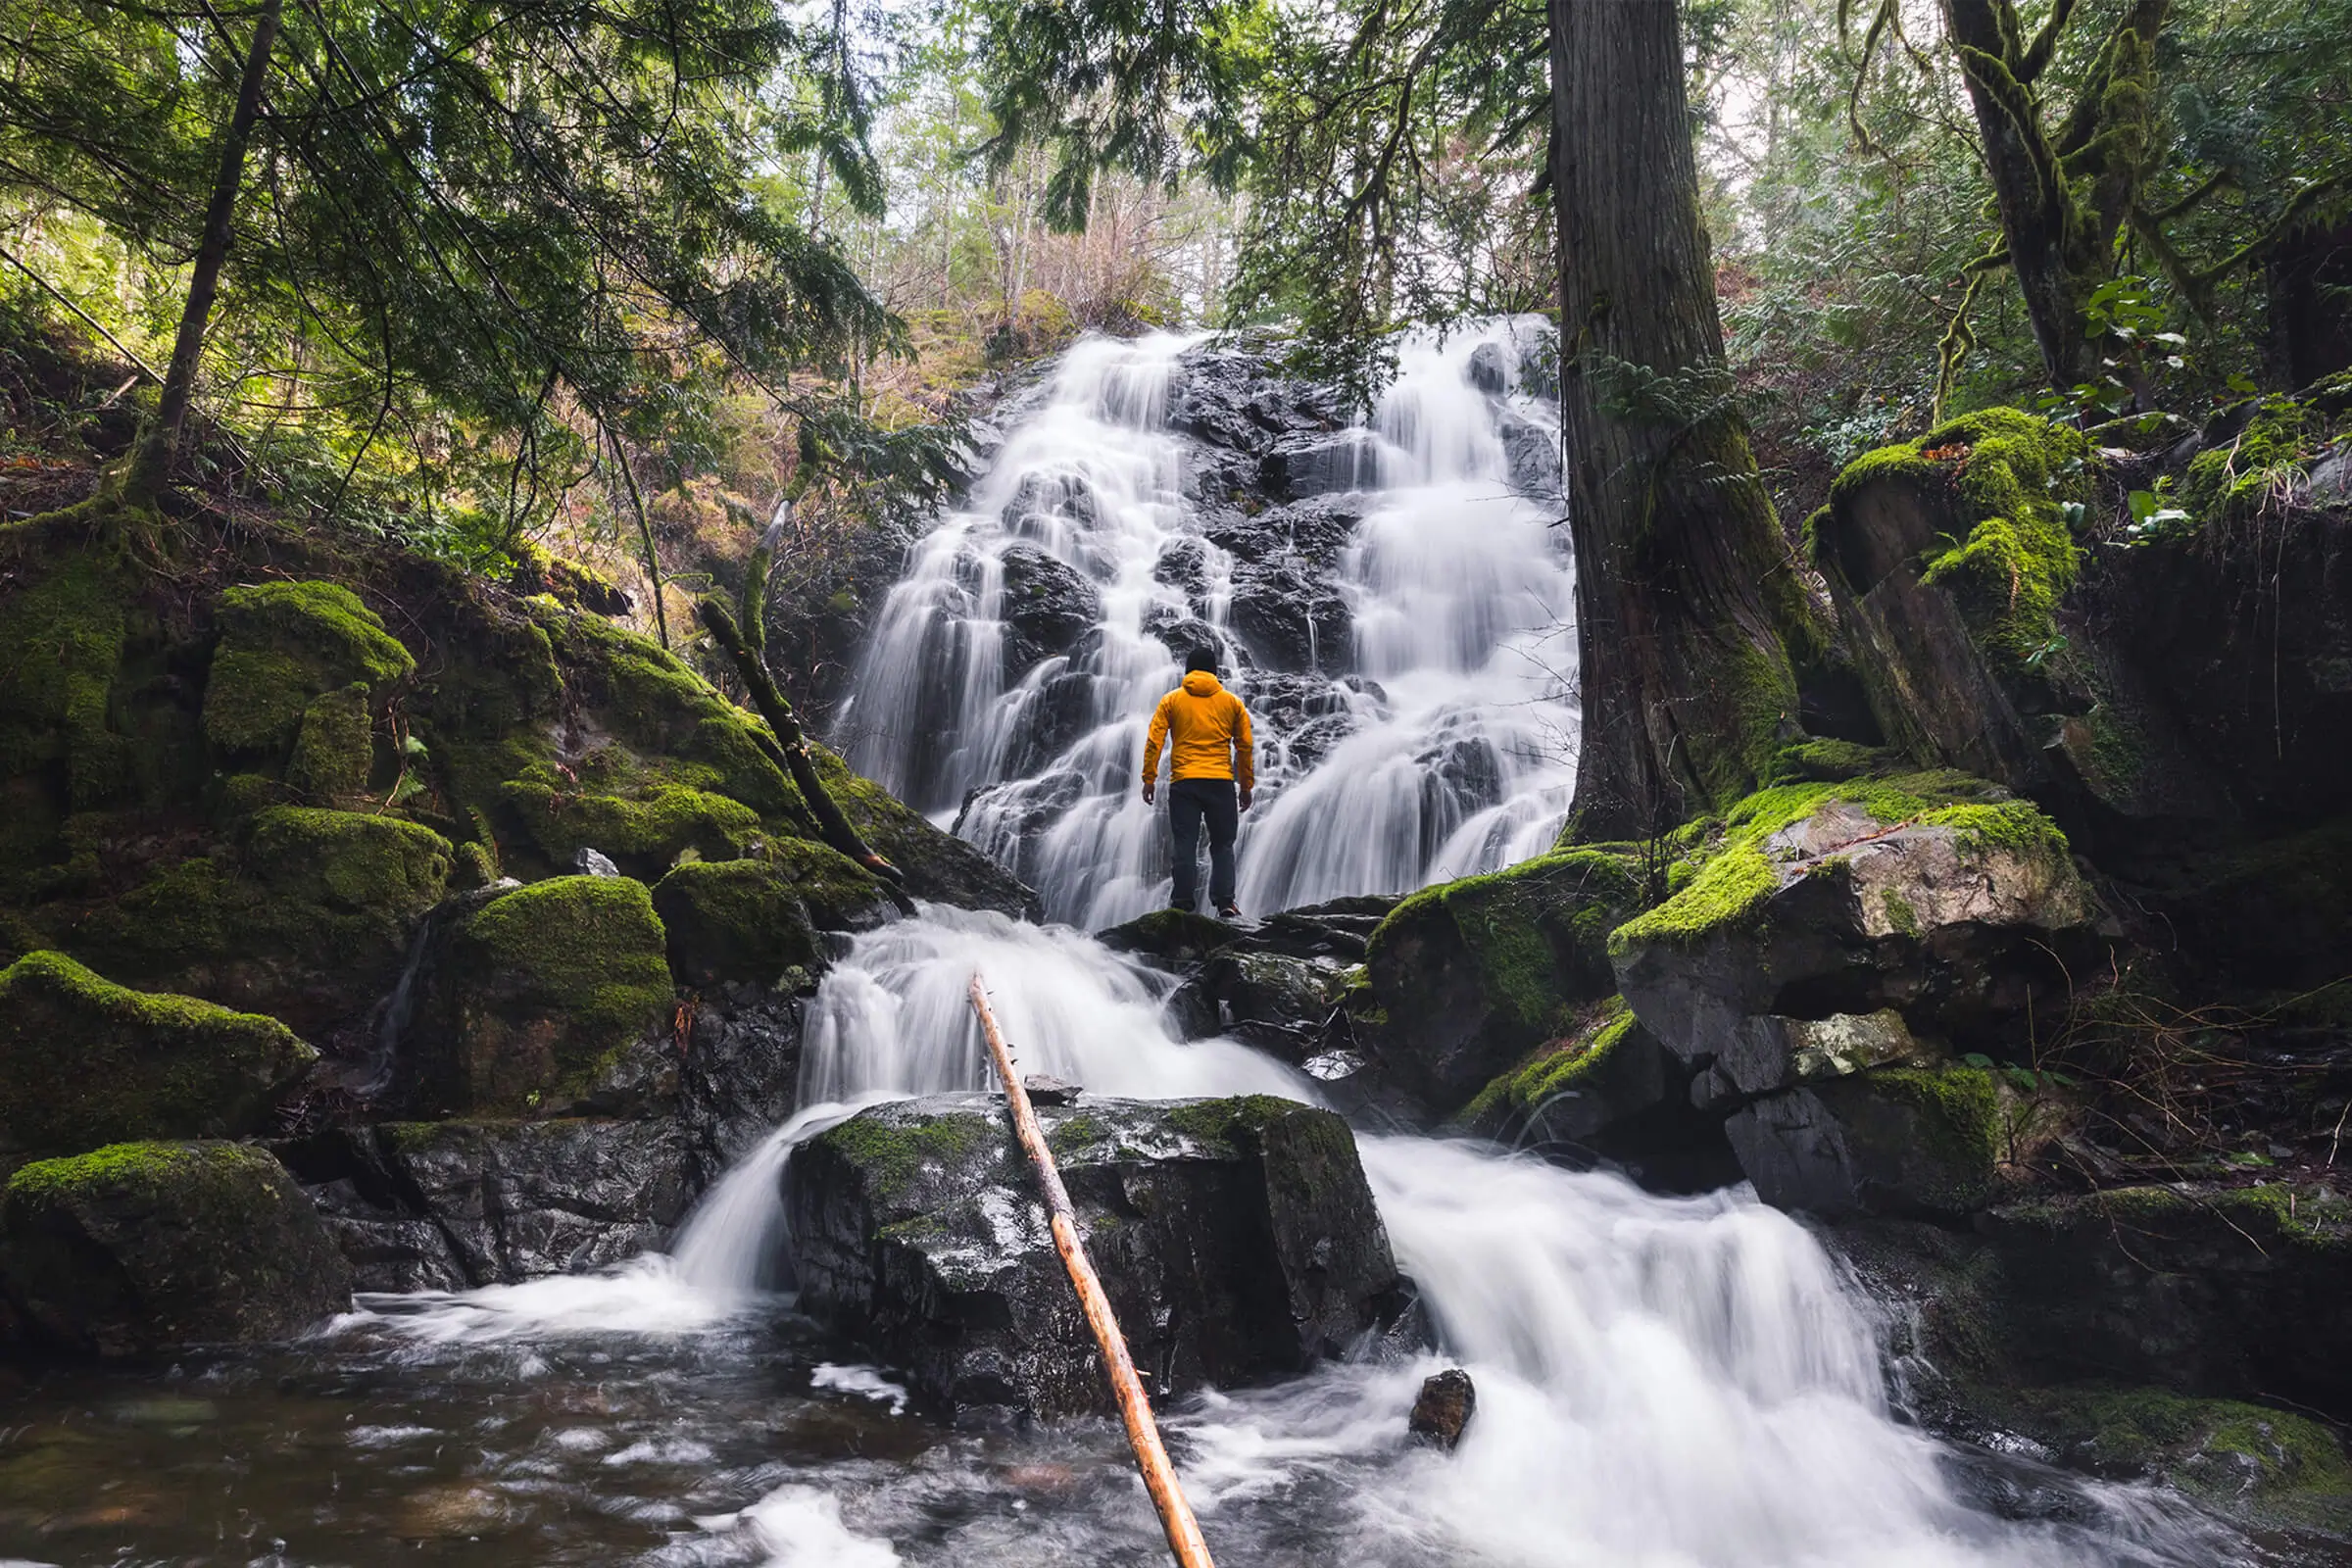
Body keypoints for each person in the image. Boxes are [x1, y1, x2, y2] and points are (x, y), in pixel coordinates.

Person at [1141, 649, 1255, 918]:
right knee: (1223, 845)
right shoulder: (1232, 703)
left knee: (1185, 844)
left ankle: (1182, 903)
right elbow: (1245, 746)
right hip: (1220, 782)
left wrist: (1149, 778)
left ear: (1188, 671)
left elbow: (1154, 740)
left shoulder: (1171, 700)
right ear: (1215, 672)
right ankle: (1226, 902)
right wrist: (1246, 785)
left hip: (1185, 782)